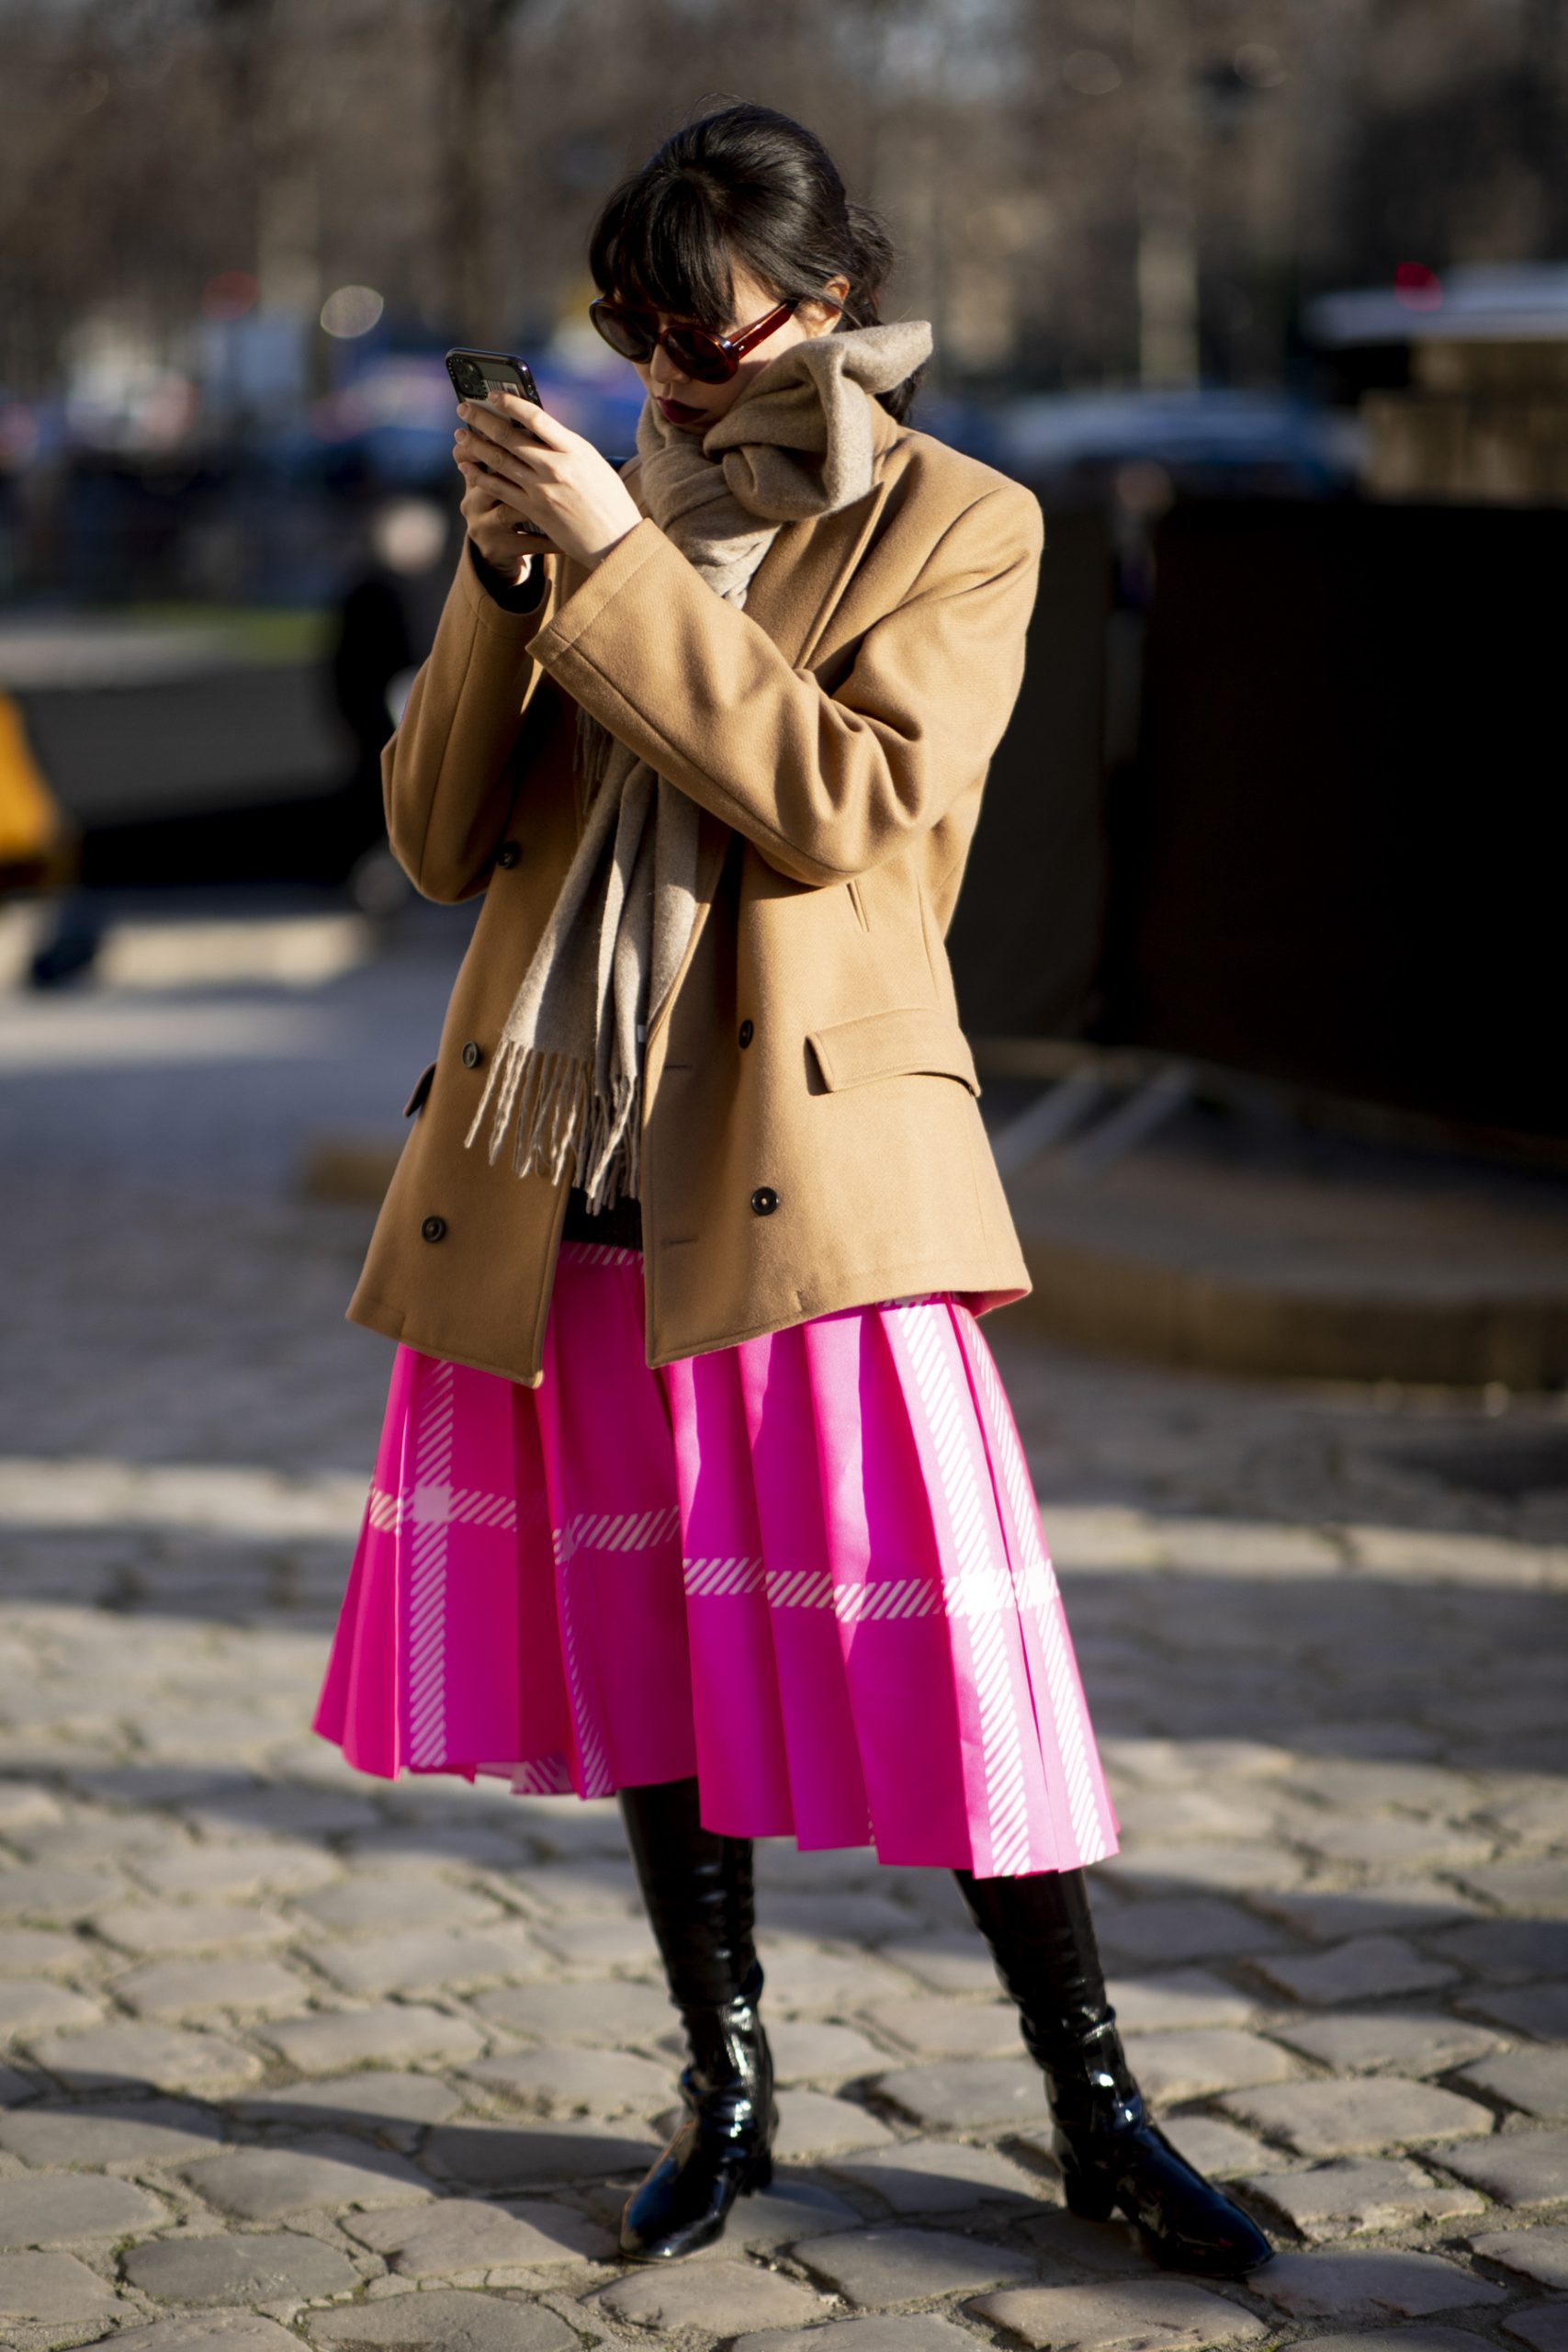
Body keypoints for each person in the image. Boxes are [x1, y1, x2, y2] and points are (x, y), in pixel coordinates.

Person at [311, 101, 1272, 2280]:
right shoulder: (580, 512)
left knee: (953, 1662)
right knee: (644, 1645)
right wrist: (501, 581)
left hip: (811, 1169)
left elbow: (845, 804)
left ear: (830, 304)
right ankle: (724, 2085)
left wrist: (622, 572)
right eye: (626, 322)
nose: (660, 362)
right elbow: (441, 840)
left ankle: (1097, 2109)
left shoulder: (962, 521)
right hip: (569, 1170)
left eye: (701, 321)